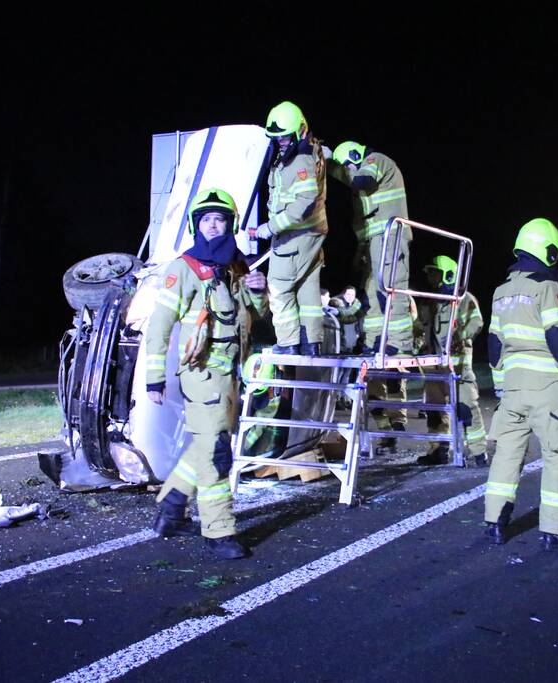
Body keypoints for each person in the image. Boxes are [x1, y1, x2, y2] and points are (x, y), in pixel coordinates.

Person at [145, 188, 268, 559]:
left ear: (229, 225)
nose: (213, 226)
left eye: (220, 220)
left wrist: (260, 292)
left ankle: (171, 505)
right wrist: (154, 378)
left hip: (231, 376)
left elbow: (255, 317)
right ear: (196, 226)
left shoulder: (237, 266)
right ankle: (218, 532)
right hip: (201, 376)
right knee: (217, 451)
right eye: (206, 220)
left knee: (206, 442)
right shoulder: (181, 269)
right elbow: (159, 327)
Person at [483, 218, 558, 550]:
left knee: (506, 455)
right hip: (547, 387)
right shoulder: (547, 287)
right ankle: (555, 531)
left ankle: (494, 523)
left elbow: (494, 344)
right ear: (546, 251)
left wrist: (501, 386)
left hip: (514, 389)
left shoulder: (501, 291)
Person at [328, 141, 411, 439]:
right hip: (376, 239)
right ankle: (379, 341)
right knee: (375, 294)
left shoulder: (375, 159)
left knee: (391, 287)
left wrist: (341, 170)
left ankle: (400, 343)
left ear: (355, 156)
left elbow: (362, 180)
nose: (349, 171)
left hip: (391, 232)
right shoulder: (360, 170)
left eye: (348, 164)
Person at [254, 101, 328, 356]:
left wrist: (271, 228)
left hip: (295, 235)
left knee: (279, 287)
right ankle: (310, 342)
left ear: (300, 130)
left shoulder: (299, 159)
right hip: (311, 234)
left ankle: (287, 344)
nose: (280, 141)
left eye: (284, 136)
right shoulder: (309, 150)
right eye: (276, 137)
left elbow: (305, 200)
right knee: (307, 288)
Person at [415, 255, 488, 467]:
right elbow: (420, 328)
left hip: (458, 367)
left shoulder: (463, 299)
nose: (431, 278)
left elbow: (477, 322)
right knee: (435, 413)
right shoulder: (428, 303)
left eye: (434, 273)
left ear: (448, 275)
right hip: (434, 367)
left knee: (467, 409)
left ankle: (479, 453)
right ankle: (438, 450)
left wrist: (462, 335)